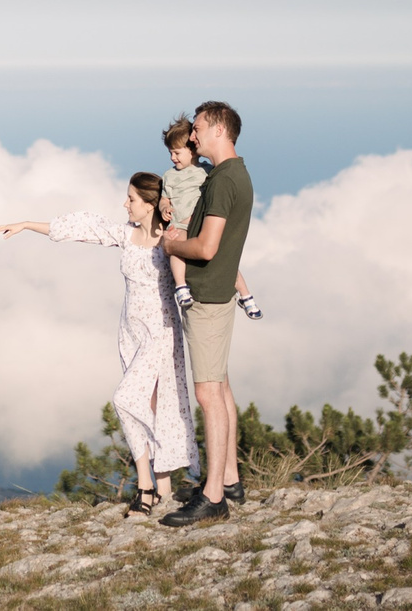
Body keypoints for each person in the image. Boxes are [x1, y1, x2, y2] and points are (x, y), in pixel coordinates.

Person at [0, 173, 194, 513]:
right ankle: (164, 489)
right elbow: (81, 228)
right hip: (130, 331)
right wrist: (27, 224)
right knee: (147, 404)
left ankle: (145, 486)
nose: (125, 204)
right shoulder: (126, 235)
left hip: (160, 330)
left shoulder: (169, 241)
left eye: (131, 199)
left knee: (127, 398)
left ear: (149, 205)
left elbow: (197, 264)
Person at [157, 100, 252, 528]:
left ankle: (213, 496)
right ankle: (228, 478)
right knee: (222, 386)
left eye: (196, 129)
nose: (192, 137)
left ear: (215, 128)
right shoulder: (233, 174)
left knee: (208, 394)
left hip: (209, 297)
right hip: (220, 294)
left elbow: (207, 248)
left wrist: (171, 245)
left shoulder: (220, 181)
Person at [160, 116, 261, 321]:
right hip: (179, 224)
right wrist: (165, 207)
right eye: (170, 153)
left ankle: (245, 294)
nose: (173, 158)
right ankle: (181, 287)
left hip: (199, 224)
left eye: (177, 152)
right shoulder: (169, 176)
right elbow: (164, 197)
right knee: (176, 251)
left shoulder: (207, 172)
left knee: (225, 263)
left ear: (192, 151)